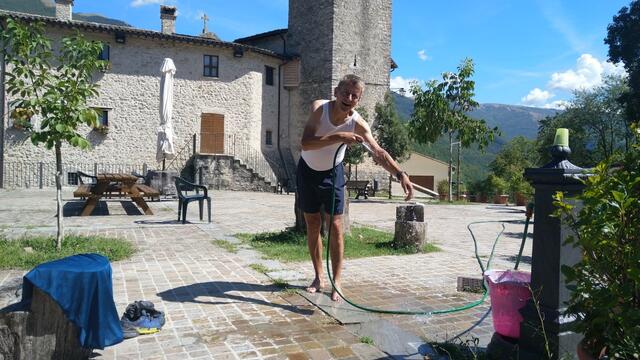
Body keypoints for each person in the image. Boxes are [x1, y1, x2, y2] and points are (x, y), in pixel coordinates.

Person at [297, 74, 414, 301]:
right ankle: (319, 276)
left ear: (358, 100)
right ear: (336, 92)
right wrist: (338, 136)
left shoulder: (358, 124)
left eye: (354, 96)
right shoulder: (319, 108)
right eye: (345, 93)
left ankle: (337, 282)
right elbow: (306, 143)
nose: (349, 98)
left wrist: (401, 174)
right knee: (312, 224)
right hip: (307, 170)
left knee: (337, 226)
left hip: (333, 173)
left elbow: (378, 152)